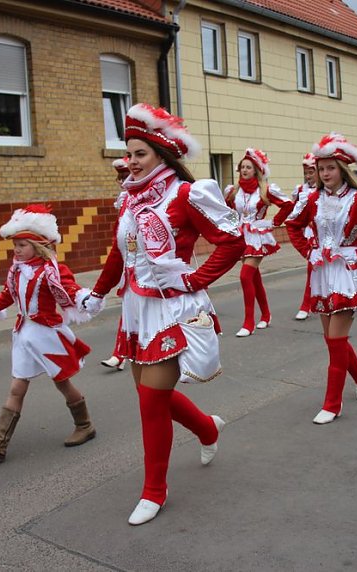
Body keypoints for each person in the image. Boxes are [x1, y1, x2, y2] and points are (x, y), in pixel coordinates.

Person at [83, 103, 245, 525]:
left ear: (162, 154)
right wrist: (98, 293)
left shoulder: (186, 194)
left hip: (172, 307)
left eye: (140, 154)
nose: (131, 162)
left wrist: (193, 279)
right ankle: (207, 428)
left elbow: (232, 242)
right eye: (128, 154)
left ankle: (154, 489)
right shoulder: (130, 198)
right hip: (137, 308)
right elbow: (120, 254)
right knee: (150, 395)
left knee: (152, 402)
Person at [285, 133, 357, 424]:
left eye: (331, 168)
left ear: (343, 169)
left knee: (335, 341)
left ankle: (332, 404)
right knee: (332, 339)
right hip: (323, 273)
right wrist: (308, 251)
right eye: (321, 169)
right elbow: (293, 225)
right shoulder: (312, 198)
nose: (325, 174)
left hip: (349, 274)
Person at [0, 206, 96, 459]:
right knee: (17, 387)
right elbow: (7, 296)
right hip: (24, 334)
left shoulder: (50, 271)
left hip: (47, 335)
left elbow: (69, 288)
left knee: (62, 383)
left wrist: (86, 298)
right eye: (15, 245)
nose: (16, 249)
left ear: (37, 246)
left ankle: (85, 425)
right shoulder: (16, 270)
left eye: (22, 245)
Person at [224, 148, 293, 337]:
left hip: (257, 236)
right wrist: (230, 226)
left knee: (245, 276)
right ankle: (266, 314)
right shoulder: (233, 191)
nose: (244, 170)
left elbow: (288, 205)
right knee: (254, 277)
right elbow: (227, 211)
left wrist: (274, 222)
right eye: (242, 167)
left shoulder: (265, 190)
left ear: (256, 170)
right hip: (240, 236)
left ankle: (249, 322)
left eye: (248, 167)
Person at [101, 157, 131, 371]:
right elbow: (119, 237)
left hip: (151, 267)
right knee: (128, 308)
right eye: (119, 177)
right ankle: (121, 354)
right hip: (130, 261)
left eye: (124, 176)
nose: (121, 181)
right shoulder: (125, 199)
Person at [293, 153, 318, 320]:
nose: (308, 176)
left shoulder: (327, 189)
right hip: (310, 233)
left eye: (311, 172)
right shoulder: (301, 190)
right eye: (306, 173)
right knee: (312, 267)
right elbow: (294, 212)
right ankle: (307, 304)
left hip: (329, 234)